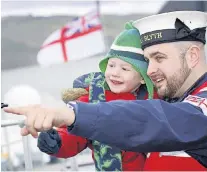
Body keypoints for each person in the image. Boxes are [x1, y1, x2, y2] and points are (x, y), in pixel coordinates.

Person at [3, 11, 207, 170]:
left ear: (192, 56)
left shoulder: (197, 107)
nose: (150, 70)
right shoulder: (175, 98)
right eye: (147, 60)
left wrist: (73, 114)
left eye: (159, 58)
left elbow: (156, 119)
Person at [37, 23, 157, 171]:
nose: (115, 73)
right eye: (111, 65)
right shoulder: (93, 99)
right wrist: (58, 142)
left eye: (124, 68)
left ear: (143, 78)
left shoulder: (155, 98)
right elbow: (75, 132)